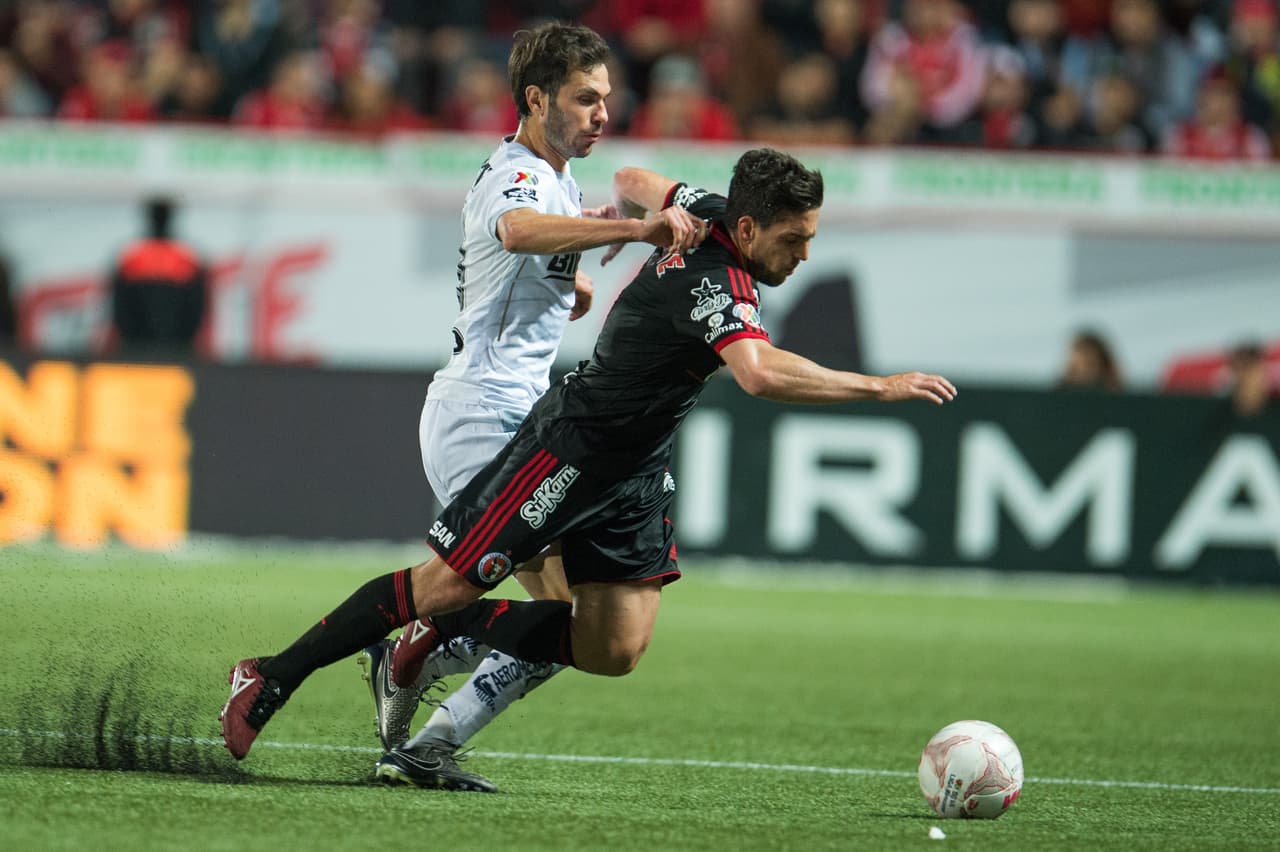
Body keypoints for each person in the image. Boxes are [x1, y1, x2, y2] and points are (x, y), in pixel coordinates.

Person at [219, 148, 956, 791]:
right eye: (795, 240)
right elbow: (759, 375)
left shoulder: (708, 209)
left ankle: (441, 638)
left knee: (615, 648)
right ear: (754, 230)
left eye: (812, 238)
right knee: (440, 583)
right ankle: (273, 674)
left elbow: (634, 176)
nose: (803, 256)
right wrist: (879, 385)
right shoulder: (715, 282)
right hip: (571, 448)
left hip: (636, 467)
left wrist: (637, 214)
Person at [351, 21, 704, 792]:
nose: (603, 114)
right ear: (537, 98)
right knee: (565, 620)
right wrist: (642, 226)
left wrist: (573, 278)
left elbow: (536, 253)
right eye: (585, 98)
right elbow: (517, 231)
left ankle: (426, 660)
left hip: (516, 414)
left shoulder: (558, 180)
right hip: (482, 414)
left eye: (607, 98)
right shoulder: (520, 172)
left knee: (574, 619)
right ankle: (428, 707)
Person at [109, 196, 207, 357]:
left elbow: (120, 309)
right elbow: (196, 309)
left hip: (139, 349)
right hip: (176, 349)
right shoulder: (187, 259)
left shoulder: (131, 258)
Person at [1058, 329, 1122, 391]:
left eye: (1089, 365)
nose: (1082, 371)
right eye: (1076, 368)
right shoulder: (1058, 395)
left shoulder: (1115, 394)